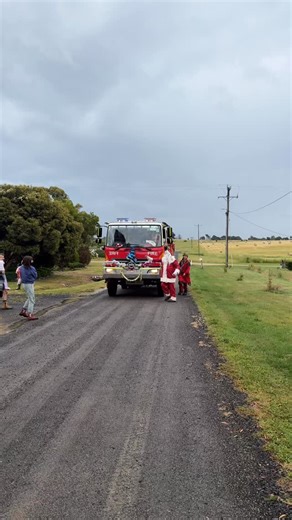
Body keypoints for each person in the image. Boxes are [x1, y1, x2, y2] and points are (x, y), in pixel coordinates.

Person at [19, 256, 38, 320]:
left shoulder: (21, 267)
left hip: (24, 284)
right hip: (29, 284)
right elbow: (35, 275)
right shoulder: (31, 268)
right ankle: (30, 314)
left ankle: (23, 310)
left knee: (30, 297)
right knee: (32, 299)